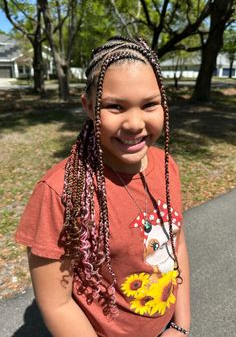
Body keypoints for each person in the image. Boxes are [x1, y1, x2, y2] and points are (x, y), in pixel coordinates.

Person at [15, 36, 191, 337]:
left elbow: (177, 244)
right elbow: (57, 304)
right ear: (89, 107)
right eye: (114, 106)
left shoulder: (167, 166)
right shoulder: (61, 192)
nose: (135, 123)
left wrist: (180, 326)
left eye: (149, 104)